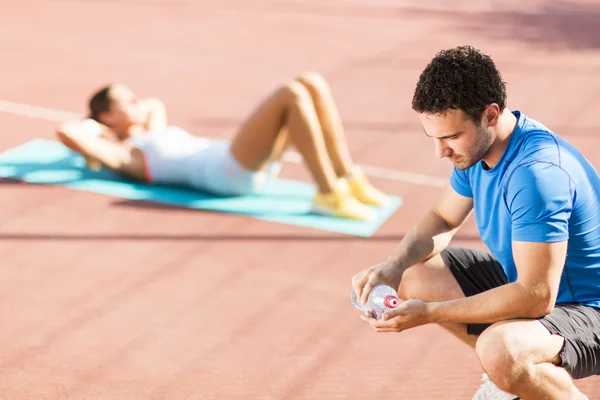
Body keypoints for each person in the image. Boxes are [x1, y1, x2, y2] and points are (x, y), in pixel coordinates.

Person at [351, 45, 600, 400]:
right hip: (538, 287)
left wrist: (431, 313)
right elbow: (442, 217)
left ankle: (516, 374)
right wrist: (392, 266)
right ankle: (516, 384)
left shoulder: (536, 175)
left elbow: (536, 298)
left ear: (491, 114)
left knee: (502, 351)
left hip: (589, 307)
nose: (441, 152)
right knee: (413, 272)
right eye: (434, 137)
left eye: (451, 137)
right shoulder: (481, 150)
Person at [55, 72, 390, 221]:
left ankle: (348, 178)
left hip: (234, 164)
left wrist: (131, 115)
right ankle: (328, 193)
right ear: (109, 117)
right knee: (290, 93)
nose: (137, 101)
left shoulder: (148, 132)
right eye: (127, 100)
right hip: (227, 172)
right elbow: (66, 131)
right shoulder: (123, 155)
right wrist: (96, 127)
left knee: (310, 82)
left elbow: (155, 104)